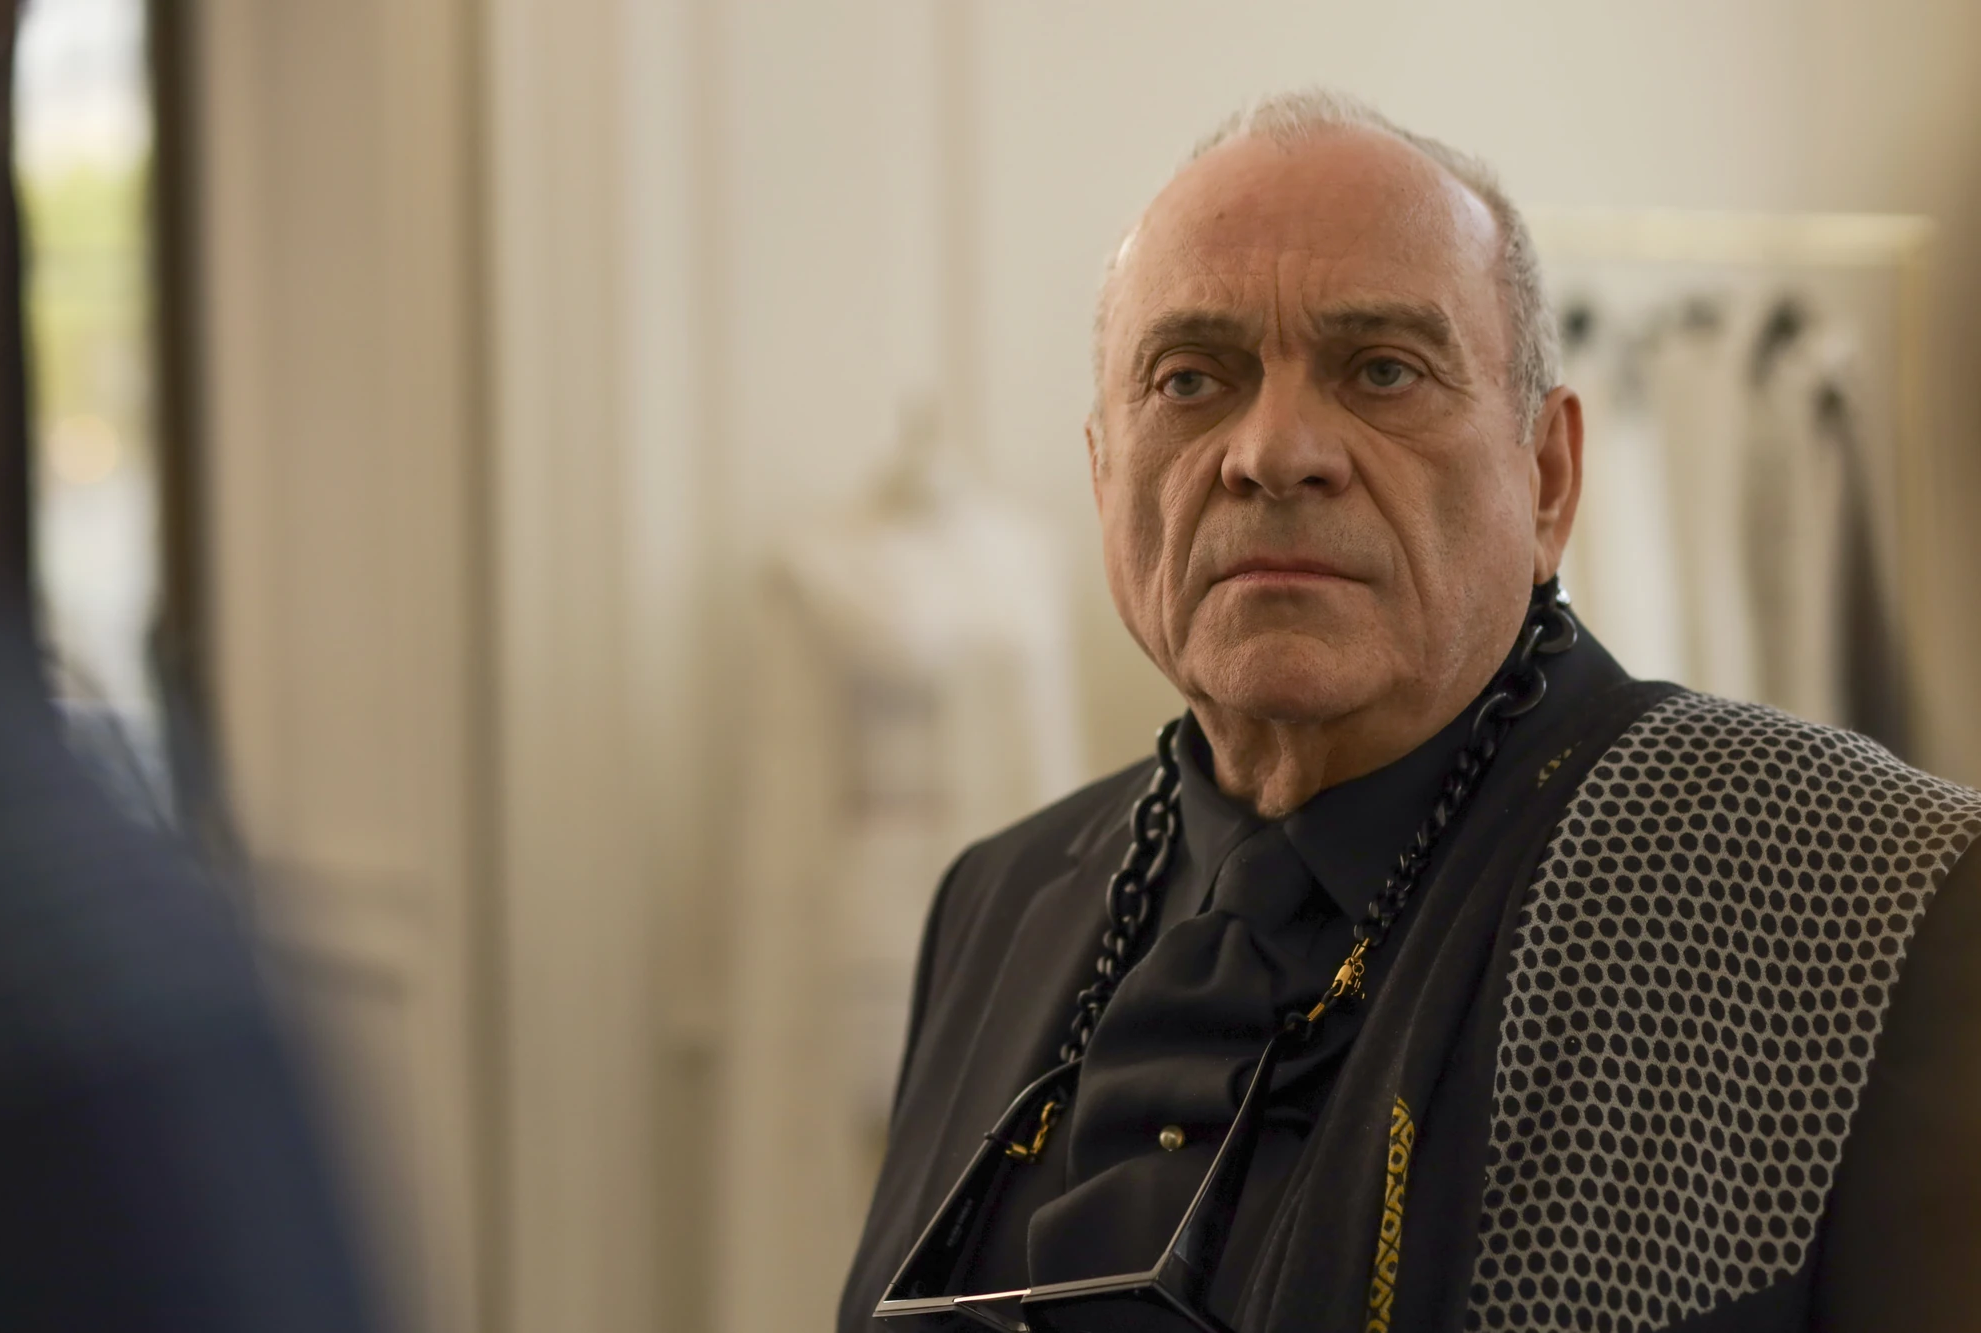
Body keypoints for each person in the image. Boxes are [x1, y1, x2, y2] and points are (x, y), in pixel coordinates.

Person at [837, 89, 1981, 1333]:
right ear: (1104, 474)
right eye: (1189, 378)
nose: (1272, 451)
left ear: (1547, 478)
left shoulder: (1865, 892)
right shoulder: (1001, 902)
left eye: (1381, 370)